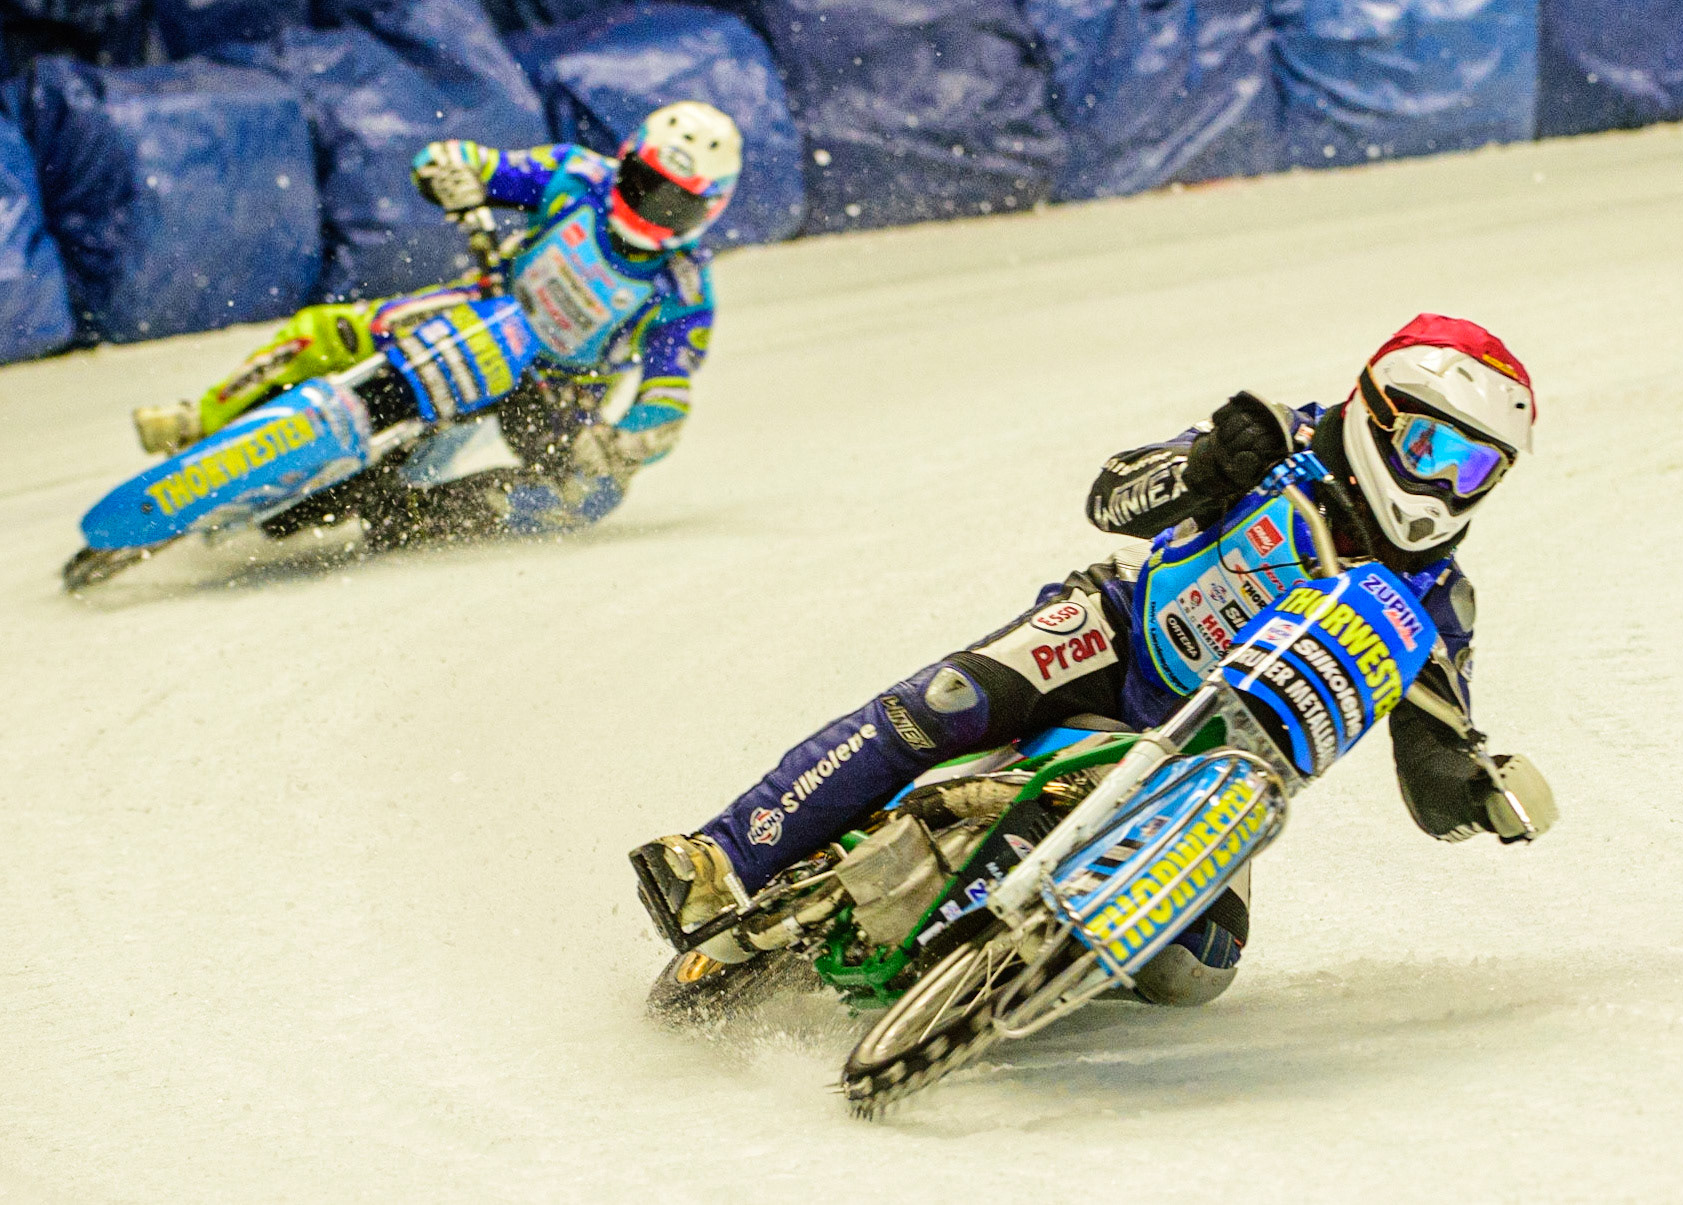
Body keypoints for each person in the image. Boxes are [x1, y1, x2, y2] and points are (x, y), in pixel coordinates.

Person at [632, 314, 1557, 1007]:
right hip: (1114, 634)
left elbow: (1431, 762)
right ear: (1376, 415)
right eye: (1431, 448)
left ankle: (1017, 959)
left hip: (1218, 769)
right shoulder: (1273, 439)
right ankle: (721, 855)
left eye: (1475, 470)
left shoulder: (1434, 604)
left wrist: (1477, 791)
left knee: (1196, 973)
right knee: (947, 699)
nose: (1442, 486)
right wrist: (1205, 466)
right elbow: (1111, 498)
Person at [129, 101, 742, 542]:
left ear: (708, 210)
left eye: (675, 202)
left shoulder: (685, 290)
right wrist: (451, 171)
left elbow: (668, 390)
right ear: (625, 160)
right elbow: (473, 160)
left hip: (557, 391)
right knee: (330, 330)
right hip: (485, 308)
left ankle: (421, 515)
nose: (650, 207)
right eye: (643, 184)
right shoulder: (577, 175)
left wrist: (628, 441)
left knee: (588, 495)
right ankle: (203, 418)